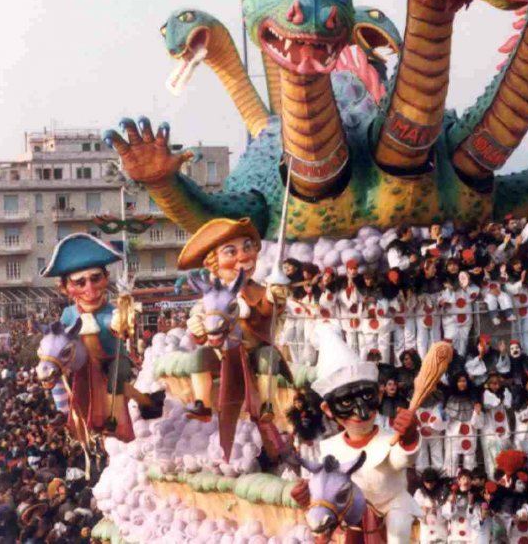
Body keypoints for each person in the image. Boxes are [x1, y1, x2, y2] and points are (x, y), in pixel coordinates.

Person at [43, 233, 163, 439]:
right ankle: (63, 412)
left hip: (113, 359)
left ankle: (116, 419)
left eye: (95, 278)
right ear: (67, 287)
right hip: (84, 364)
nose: (89, 288)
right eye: (80, 282)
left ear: (105, 278)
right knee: (56, 374)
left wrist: (123, 320)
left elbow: (121, 328)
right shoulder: (69, 314)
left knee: (115, 384)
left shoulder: (111, 313)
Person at [311, 325, 421, 544]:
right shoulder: (329, 449)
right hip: (352, 512)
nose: (361, 413)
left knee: (398, 532)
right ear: (328, 409)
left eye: (367, 396)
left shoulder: (388, 439)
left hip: (392, 505)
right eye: (346, 402)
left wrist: (408, 437)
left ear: (379, 395)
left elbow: (402, 459)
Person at [177, 218, 289, 424]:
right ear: (213, 262)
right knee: (198, 358)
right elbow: (201, 333)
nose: (244, 256)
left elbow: (268, 310)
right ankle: (202, 404)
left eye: (248, 247)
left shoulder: (261, 292)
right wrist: (197, 328)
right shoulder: (209, 297)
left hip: (253, 353)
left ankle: (266, 404)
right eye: (231, 252)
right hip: (223, 356)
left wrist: (275, 299)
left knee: (268, 357)